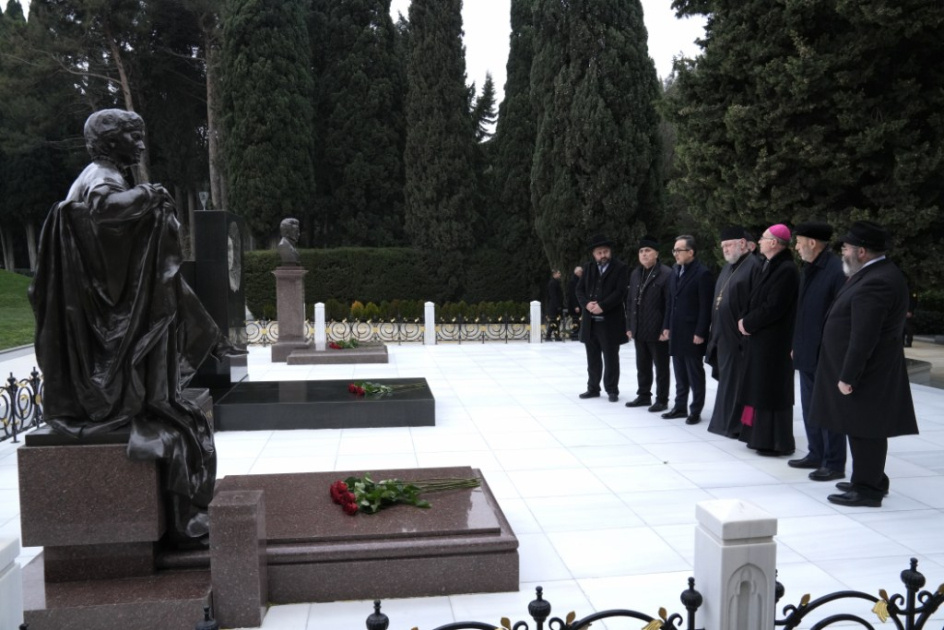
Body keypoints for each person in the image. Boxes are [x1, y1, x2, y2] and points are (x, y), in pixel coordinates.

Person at [29, 109, 244, 543]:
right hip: (108, 317)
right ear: (111, 142)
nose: (142, 145)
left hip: (110, 307)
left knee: (168, 290)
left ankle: (206, 342)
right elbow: (105, 210)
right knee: (175, 407)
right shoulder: (101, 176)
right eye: (134, 136)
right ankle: (206, 343)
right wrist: (150, 195)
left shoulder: (104, 173)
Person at [811, 221, 918, 507]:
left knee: (865, 430)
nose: (843, 252)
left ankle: (867, 489)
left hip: (868, 371)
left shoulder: (877, 281)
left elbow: (864, 336)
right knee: (860, 426)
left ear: (861, 251)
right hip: (868, 369)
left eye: (846, 248)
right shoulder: (874, 273)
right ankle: (870, 478)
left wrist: (848, 375)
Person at [788, 221, 847, 481]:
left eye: (799, 242)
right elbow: (803, 311)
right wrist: (796, 344)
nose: (797, 247)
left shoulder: (835, 270)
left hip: (826, 354)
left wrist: (831, 352)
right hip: (807, 351)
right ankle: (816, 453)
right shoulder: (810, 268)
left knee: (828, 409)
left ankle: (833, 463)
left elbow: (840, 318)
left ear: (812, 243)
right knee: (810, 407)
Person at [737, 224, 799, 456]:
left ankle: (774, 441)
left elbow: (774, 306)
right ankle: (758, 437)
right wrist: (745, 319)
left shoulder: (787, 270)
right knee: (759, 387)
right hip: (761, 339)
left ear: (774, 243)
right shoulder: (770, 264)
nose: (760, 242)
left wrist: (748, 322)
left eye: (763, 238)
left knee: (770, 391)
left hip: (774, 342)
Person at [705, 227, 761, 438]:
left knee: (736, 382)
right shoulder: (728, 267)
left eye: (729, 245)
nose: (725, 250)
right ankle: (723, 422)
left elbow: (754, 302)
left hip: (739, 339)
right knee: (727, 383)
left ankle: (735, 425)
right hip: (723, 336)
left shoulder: (754, 266)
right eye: (723, 246)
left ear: (742, 244)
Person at [663, 235, 713, 424]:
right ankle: (679, 406)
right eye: (674, 250)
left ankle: (695, 410)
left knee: (694, 373)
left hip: (692, 332)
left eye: (679, 250)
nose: (675, 254)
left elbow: (705, 307)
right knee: (679, 373)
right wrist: (666, 325)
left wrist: (701, 332)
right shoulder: (675, 270)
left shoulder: (702, 273)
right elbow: (670, 301)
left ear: (690, 252)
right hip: (676, 330)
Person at [576, 234, 629, 402]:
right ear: (594, 254)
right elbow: (579, 290)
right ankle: (593, 388)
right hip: (590, 321)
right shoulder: (588, 267)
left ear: (610, 251)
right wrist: (587, 304)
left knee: (611, 357)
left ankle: (612, 389)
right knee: (592, 357)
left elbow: (620, 292)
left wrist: (603, 306)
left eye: (605, 251)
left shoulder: (620, 267)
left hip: (610, 322)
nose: (603, 255)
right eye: (599, 252)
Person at [624, 236, 672, 412]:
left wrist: (666, 327)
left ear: (656, 253)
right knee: (642, 366)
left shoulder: (666, 274)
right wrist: (629, 326)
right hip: (639, 328)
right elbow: (630, 301)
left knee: (661, 367)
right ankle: (644, 395)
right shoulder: (636, 273)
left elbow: (669, 304)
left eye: (648, 251)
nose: (644, 254)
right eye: (641, 251)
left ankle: (662, 399)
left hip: (657, 330)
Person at [545, 269, 564, 341]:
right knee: (553, 321)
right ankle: (549, 336)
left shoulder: (556, 282)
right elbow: (553, 296)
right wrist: (558, 305)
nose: (560, 275)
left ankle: (556, 336)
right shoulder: (552, 283)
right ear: (554, 274)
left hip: (556, 305)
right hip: (554, 306)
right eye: (559, 273)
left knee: (556, 321)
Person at [567, 266, 583, 340]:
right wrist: (575, 306)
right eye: (581, 272)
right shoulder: (573, 281)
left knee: (577, 320)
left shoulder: (578, 280)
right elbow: (572, 295)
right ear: (577, 272)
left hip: (578, 304)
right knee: (575, 320)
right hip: (575, 305)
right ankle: (574, 335)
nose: (582, 273)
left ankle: (576, 334)